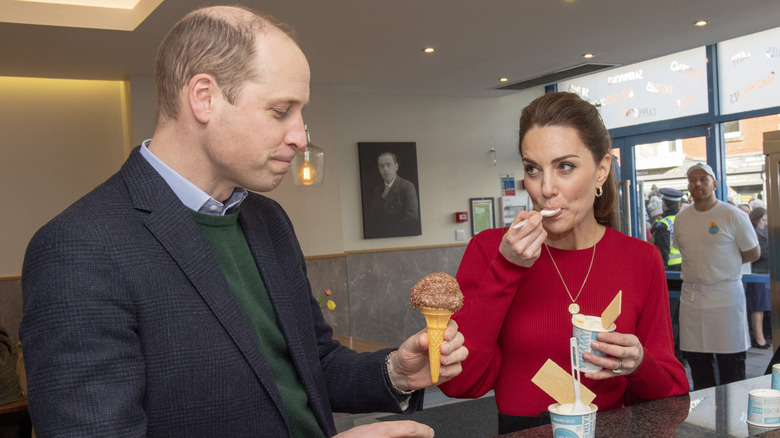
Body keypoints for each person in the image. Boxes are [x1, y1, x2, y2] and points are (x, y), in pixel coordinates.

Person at [19, 6, 468, 437]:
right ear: (204, 97)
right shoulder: (78, 248)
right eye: (280, 111)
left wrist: (393, 372)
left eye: (301, 114)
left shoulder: (268, 220)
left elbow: (313, 364)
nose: (299, 137)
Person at [438, 92, 688, 434]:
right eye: (532, 169)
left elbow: (671, 394)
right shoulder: (490, 249)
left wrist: (638, 364)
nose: (546, 188)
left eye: (565, 166)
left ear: (601, 170)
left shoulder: (641, 259)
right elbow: (459, 383)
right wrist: (507, 269)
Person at [674, 163, 760, 390]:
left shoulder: (732, 215)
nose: (697, 184)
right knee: (697, 362)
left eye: (703, 179)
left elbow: (753, 251)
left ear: (715, 184)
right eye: (692, 180)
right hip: (692, 298)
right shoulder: (682, 219)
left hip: (725, 297)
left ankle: (734, 420)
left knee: (731, 363)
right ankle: (705, 419)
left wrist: (724, 265)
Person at [365, 152, 421, 238]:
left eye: (388, 165)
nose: (385, 169)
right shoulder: (378, 189)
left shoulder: (407, 187)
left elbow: (412, 217)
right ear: (379, 169)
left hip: (400, 236)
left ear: (396, 166)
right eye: (382, 166)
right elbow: (373, 217)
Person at [746, 207, 771, 349]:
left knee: (762, 306)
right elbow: (757, 254)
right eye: (763, 220)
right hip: (757, 273)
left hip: (764, 272)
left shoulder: (764, 233)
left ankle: (762, 336)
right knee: (758, 307)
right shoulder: (755, 234)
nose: (765, 223)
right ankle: (759, 338)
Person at [650, 188, 684, 270]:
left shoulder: (663, 225)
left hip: (669, 268)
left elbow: (662, 251)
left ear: (664, 204)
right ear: (678, 204)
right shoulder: (683, 220)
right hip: (684, 266)